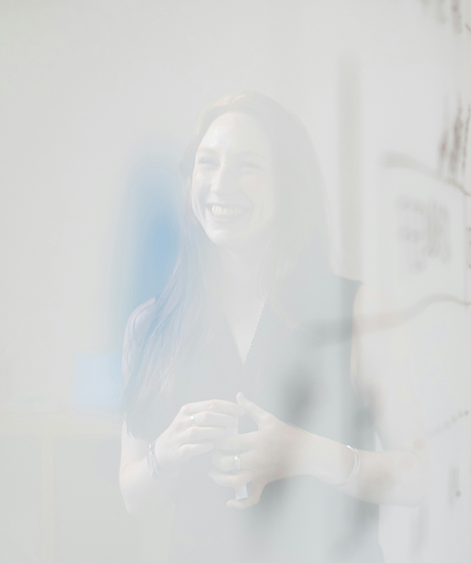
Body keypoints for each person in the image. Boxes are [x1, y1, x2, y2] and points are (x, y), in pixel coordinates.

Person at [119, 92, 425, 562]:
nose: (221, 184)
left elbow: (421, 476)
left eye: (248, 166)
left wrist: (306, 453)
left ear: (289, 186)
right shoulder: (151, 327)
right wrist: (167, 451)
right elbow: (134, 498)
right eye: (207, 162)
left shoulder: (362, 313)